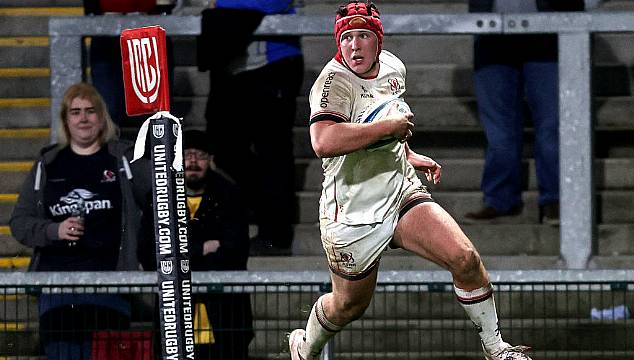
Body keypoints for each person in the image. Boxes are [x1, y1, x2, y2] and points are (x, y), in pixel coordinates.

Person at [288, 2, 533, 359]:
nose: (354, 46)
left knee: (465, 259)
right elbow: (323, 142)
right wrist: (387, 129)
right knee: (348, 306)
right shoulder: (332, 83)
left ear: (378, 40)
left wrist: (408, 153)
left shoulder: (392, 66)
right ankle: (305, 347)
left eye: (364, 36)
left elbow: (389, 119)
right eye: (347, 38)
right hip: (354, 211)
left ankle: (497, 349)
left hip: (399, 189)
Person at [9, 82, 141, 359]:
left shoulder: (123, 158)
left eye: (90, 111)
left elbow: (154, 203)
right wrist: (54, 230)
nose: (83, 118)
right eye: (76, 112)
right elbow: (20, 222)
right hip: (58, 288)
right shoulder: (48, 162)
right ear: (65, 120)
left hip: (111, 287)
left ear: (102, 117)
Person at [133, 129, 254, 359]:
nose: (193, 162)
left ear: (211, 160)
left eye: (200, 155)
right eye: (187, 155)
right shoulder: (159, 196)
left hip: (224, 320)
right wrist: (201, 248)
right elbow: (148, 255)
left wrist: (180, 253)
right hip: (175, 321)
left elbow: (235, 254)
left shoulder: (229, 194)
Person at [464, 0, 585, 225]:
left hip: (548, 31)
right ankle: (500, 200)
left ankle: (556, 200)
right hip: (491, 34)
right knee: (499, 129)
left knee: (552, 124)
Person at [198, 0, 304, 255]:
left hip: (274, 65)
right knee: (222, 148)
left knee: (273, 153)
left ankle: (277, 234)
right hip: (231, 66)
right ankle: (269, 212)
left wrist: (221, 3)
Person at [83, 0, 175, 128]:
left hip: (148, 34)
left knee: (153, 113)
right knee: (109, 109)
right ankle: (111, 145)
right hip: (106, 35)